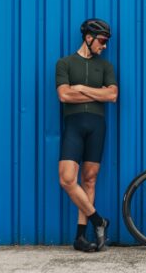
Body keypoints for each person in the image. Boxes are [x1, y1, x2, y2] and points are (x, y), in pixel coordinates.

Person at [55, 18, 118, 252]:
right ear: (88, 38)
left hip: (96, 126)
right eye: (102, 40)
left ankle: (80, 238)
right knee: (67, 179)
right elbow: (64, 96)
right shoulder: (65, 63)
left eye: (107, 41)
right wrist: (96, 93)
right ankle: (98, 220)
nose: (104, 46)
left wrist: (80, 88)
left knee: (89, 180)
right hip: (73, 126)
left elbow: (112, 95)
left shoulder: (106, 67)